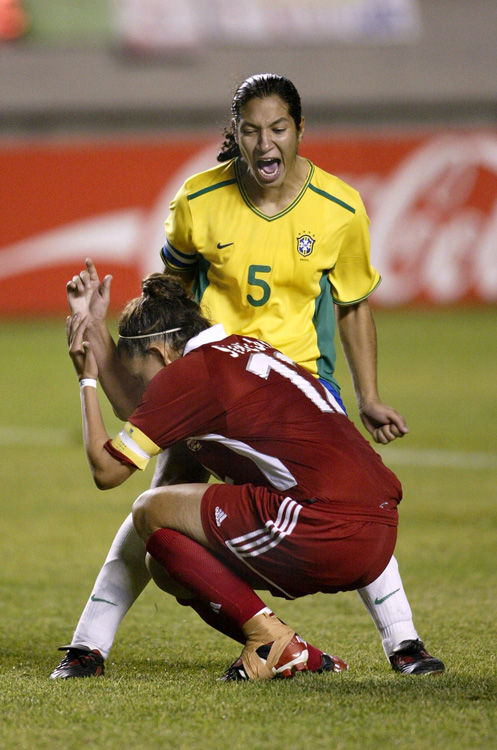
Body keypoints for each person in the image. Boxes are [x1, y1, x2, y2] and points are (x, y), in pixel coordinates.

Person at [50, 73, 444, 679]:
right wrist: (152, 358)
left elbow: (354, 301)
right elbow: (170, 299)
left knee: (333, 482)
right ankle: (89, 644)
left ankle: (400, 643)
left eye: (278, 128)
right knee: (161, 504)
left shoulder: (339, 207)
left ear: (299, 130)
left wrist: (367, 394)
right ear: (234, 134)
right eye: (252, 130)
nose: (266, 143)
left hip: (293, 376)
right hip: (210, 375)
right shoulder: (198, 202)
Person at [63, 272, 419, 681]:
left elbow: (107, 472)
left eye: (142, 375)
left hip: (324, 528)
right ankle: (296, 651)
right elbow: (140, 407)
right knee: (164, 560)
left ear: (162, 353)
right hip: (378, 531)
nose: (145, 387)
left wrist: (86, 379)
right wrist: (91, 326)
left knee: (150, 507)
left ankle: (271, 641)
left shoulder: (192, 375)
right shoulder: (240, 349)